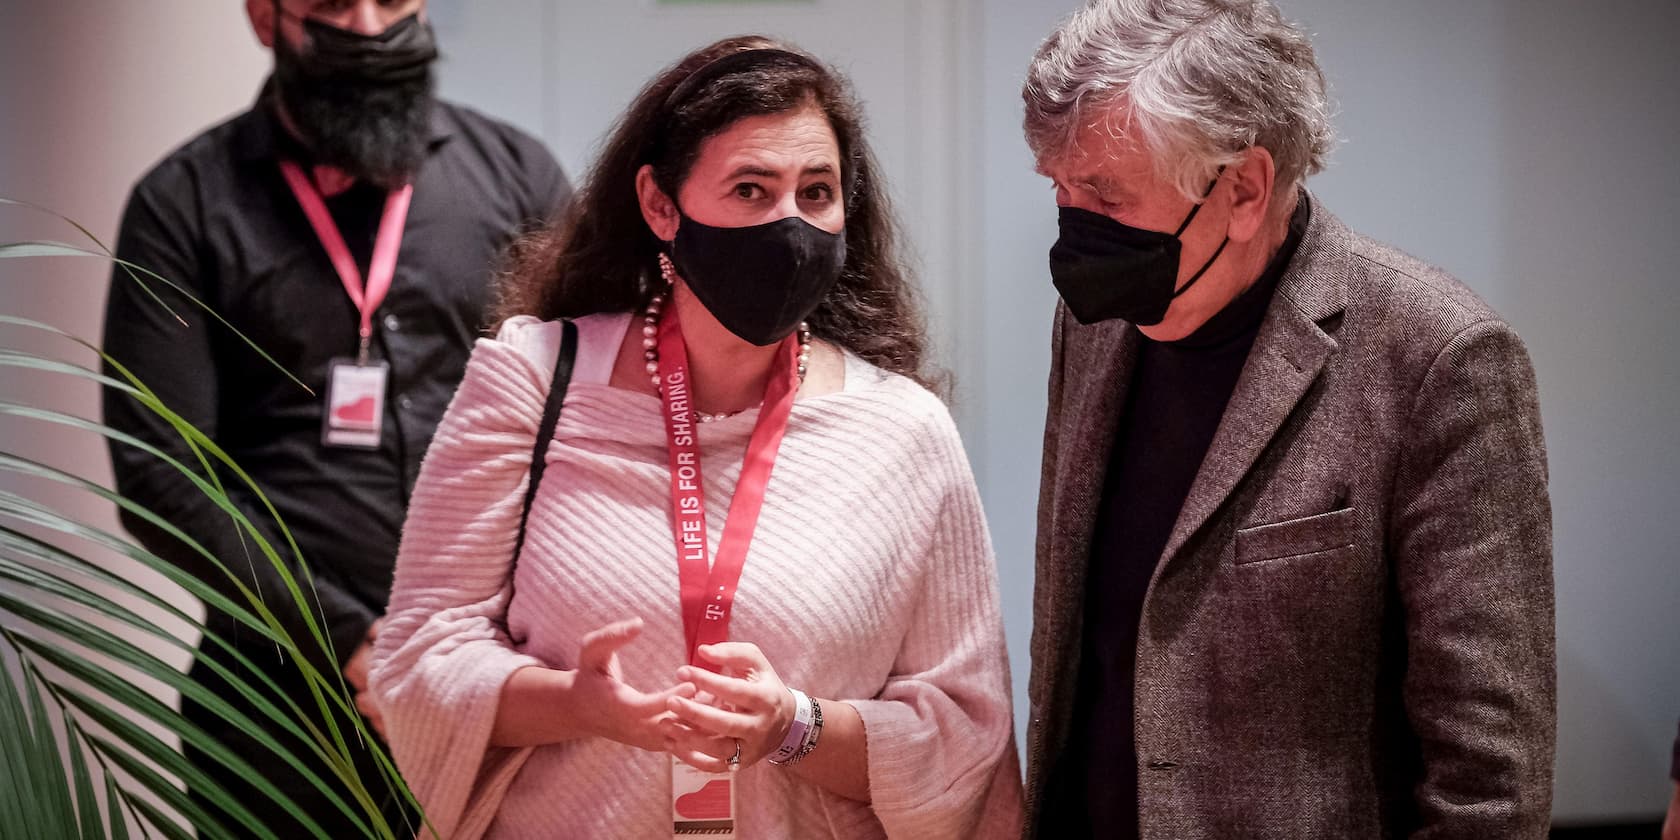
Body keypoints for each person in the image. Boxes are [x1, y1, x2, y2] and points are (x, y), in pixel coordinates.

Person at [369, 36, 1022, 839]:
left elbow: (966, 734)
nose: (789, 224)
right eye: (750, 189)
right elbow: (419, 658)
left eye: (815, 192)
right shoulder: (533, 379)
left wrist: (792, 727)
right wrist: (579, 704)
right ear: (660, 205)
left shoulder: (905, 430)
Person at [1018, 1, 1554, 838]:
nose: (1074, 227)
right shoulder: (1095, 323)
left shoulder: (1438, 357)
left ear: (1242, 188)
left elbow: (1488, 780)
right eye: (1059, 187)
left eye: (1105, 194)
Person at [102, 0, 570, 834]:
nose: (365, 28)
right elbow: (159, 472)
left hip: (492, 683)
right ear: (262, 17)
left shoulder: (516, 175)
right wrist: (348, 638)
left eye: (391, 2)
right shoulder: (183, 204)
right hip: (274, 712)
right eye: (328, 5)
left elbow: (582, 418)